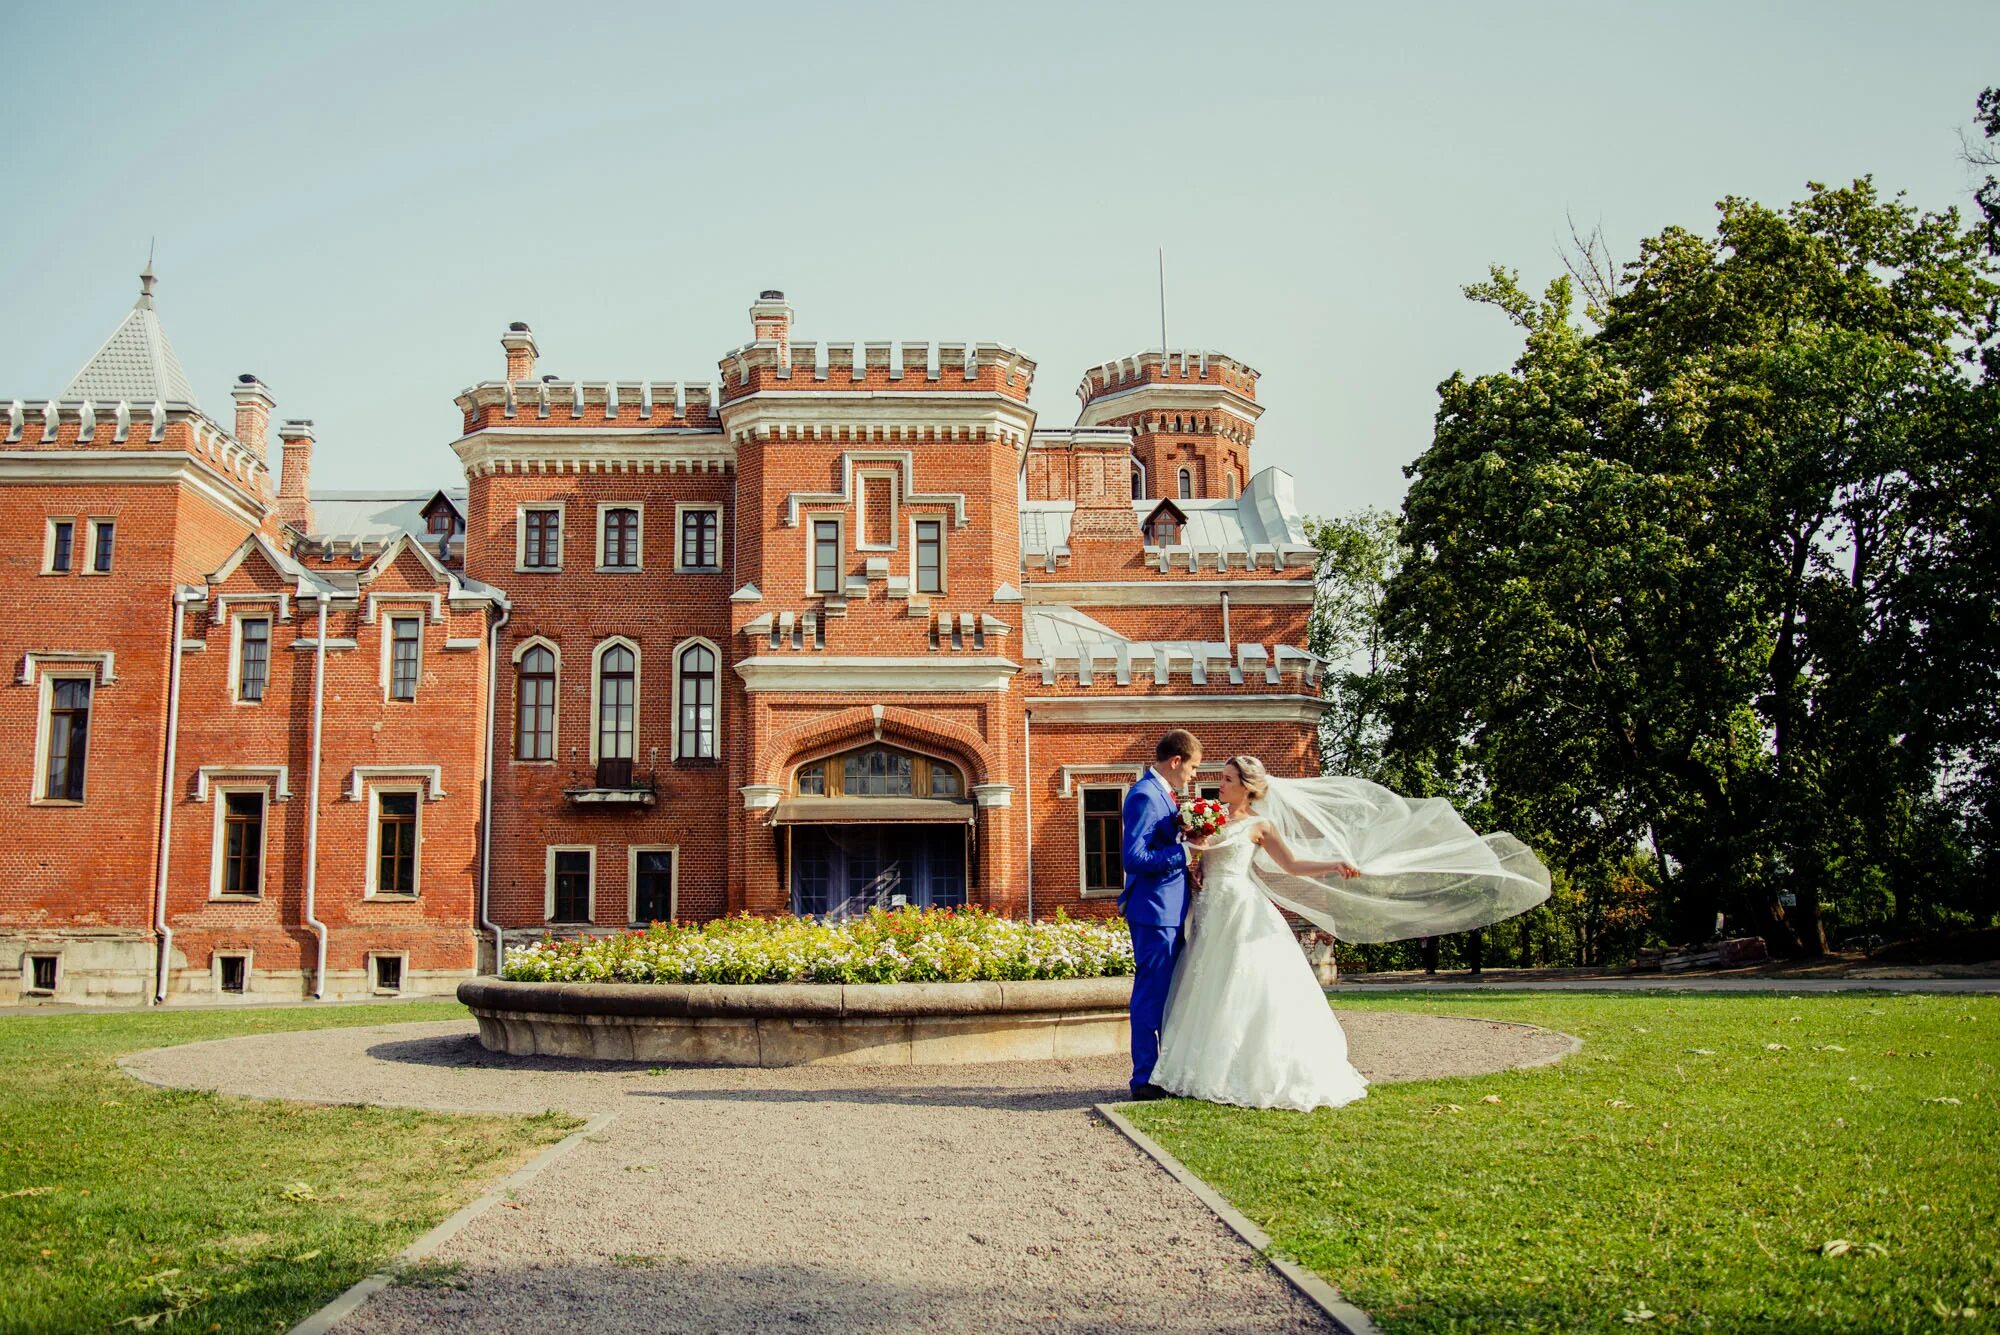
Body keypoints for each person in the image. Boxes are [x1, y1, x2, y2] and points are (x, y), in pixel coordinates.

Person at [1148, 756, 1552, 1112]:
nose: (1221, 784)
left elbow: (1291, 864)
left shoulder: (1261, 825)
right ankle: (1199, 1066)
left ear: (1249, 788)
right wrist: (1194, 858)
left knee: (1242, 981)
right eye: (1221, 777)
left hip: (1239, 906)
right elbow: (1197, 854)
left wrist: (1333, 864)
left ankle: (1243, 1070)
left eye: (1229, 779)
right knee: (1205, 981)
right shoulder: (1208, 814)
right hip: (1207, 910)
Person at [1118, 729, 1201, 1102]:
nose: (1194, 776)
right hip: (1154, 912)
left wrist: (1177, 828)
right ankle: (1144, 1079)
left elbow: (1155, 838)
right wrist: (1182, 856)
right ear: (1176, 762)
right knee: (1150, 996)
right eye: (1193, 768)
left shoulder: (1161, 796)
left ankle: (1162, 1071)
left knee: (1166, 995)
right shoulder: (1144, 796)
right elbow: (1133, 859)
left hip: (1167, 910)